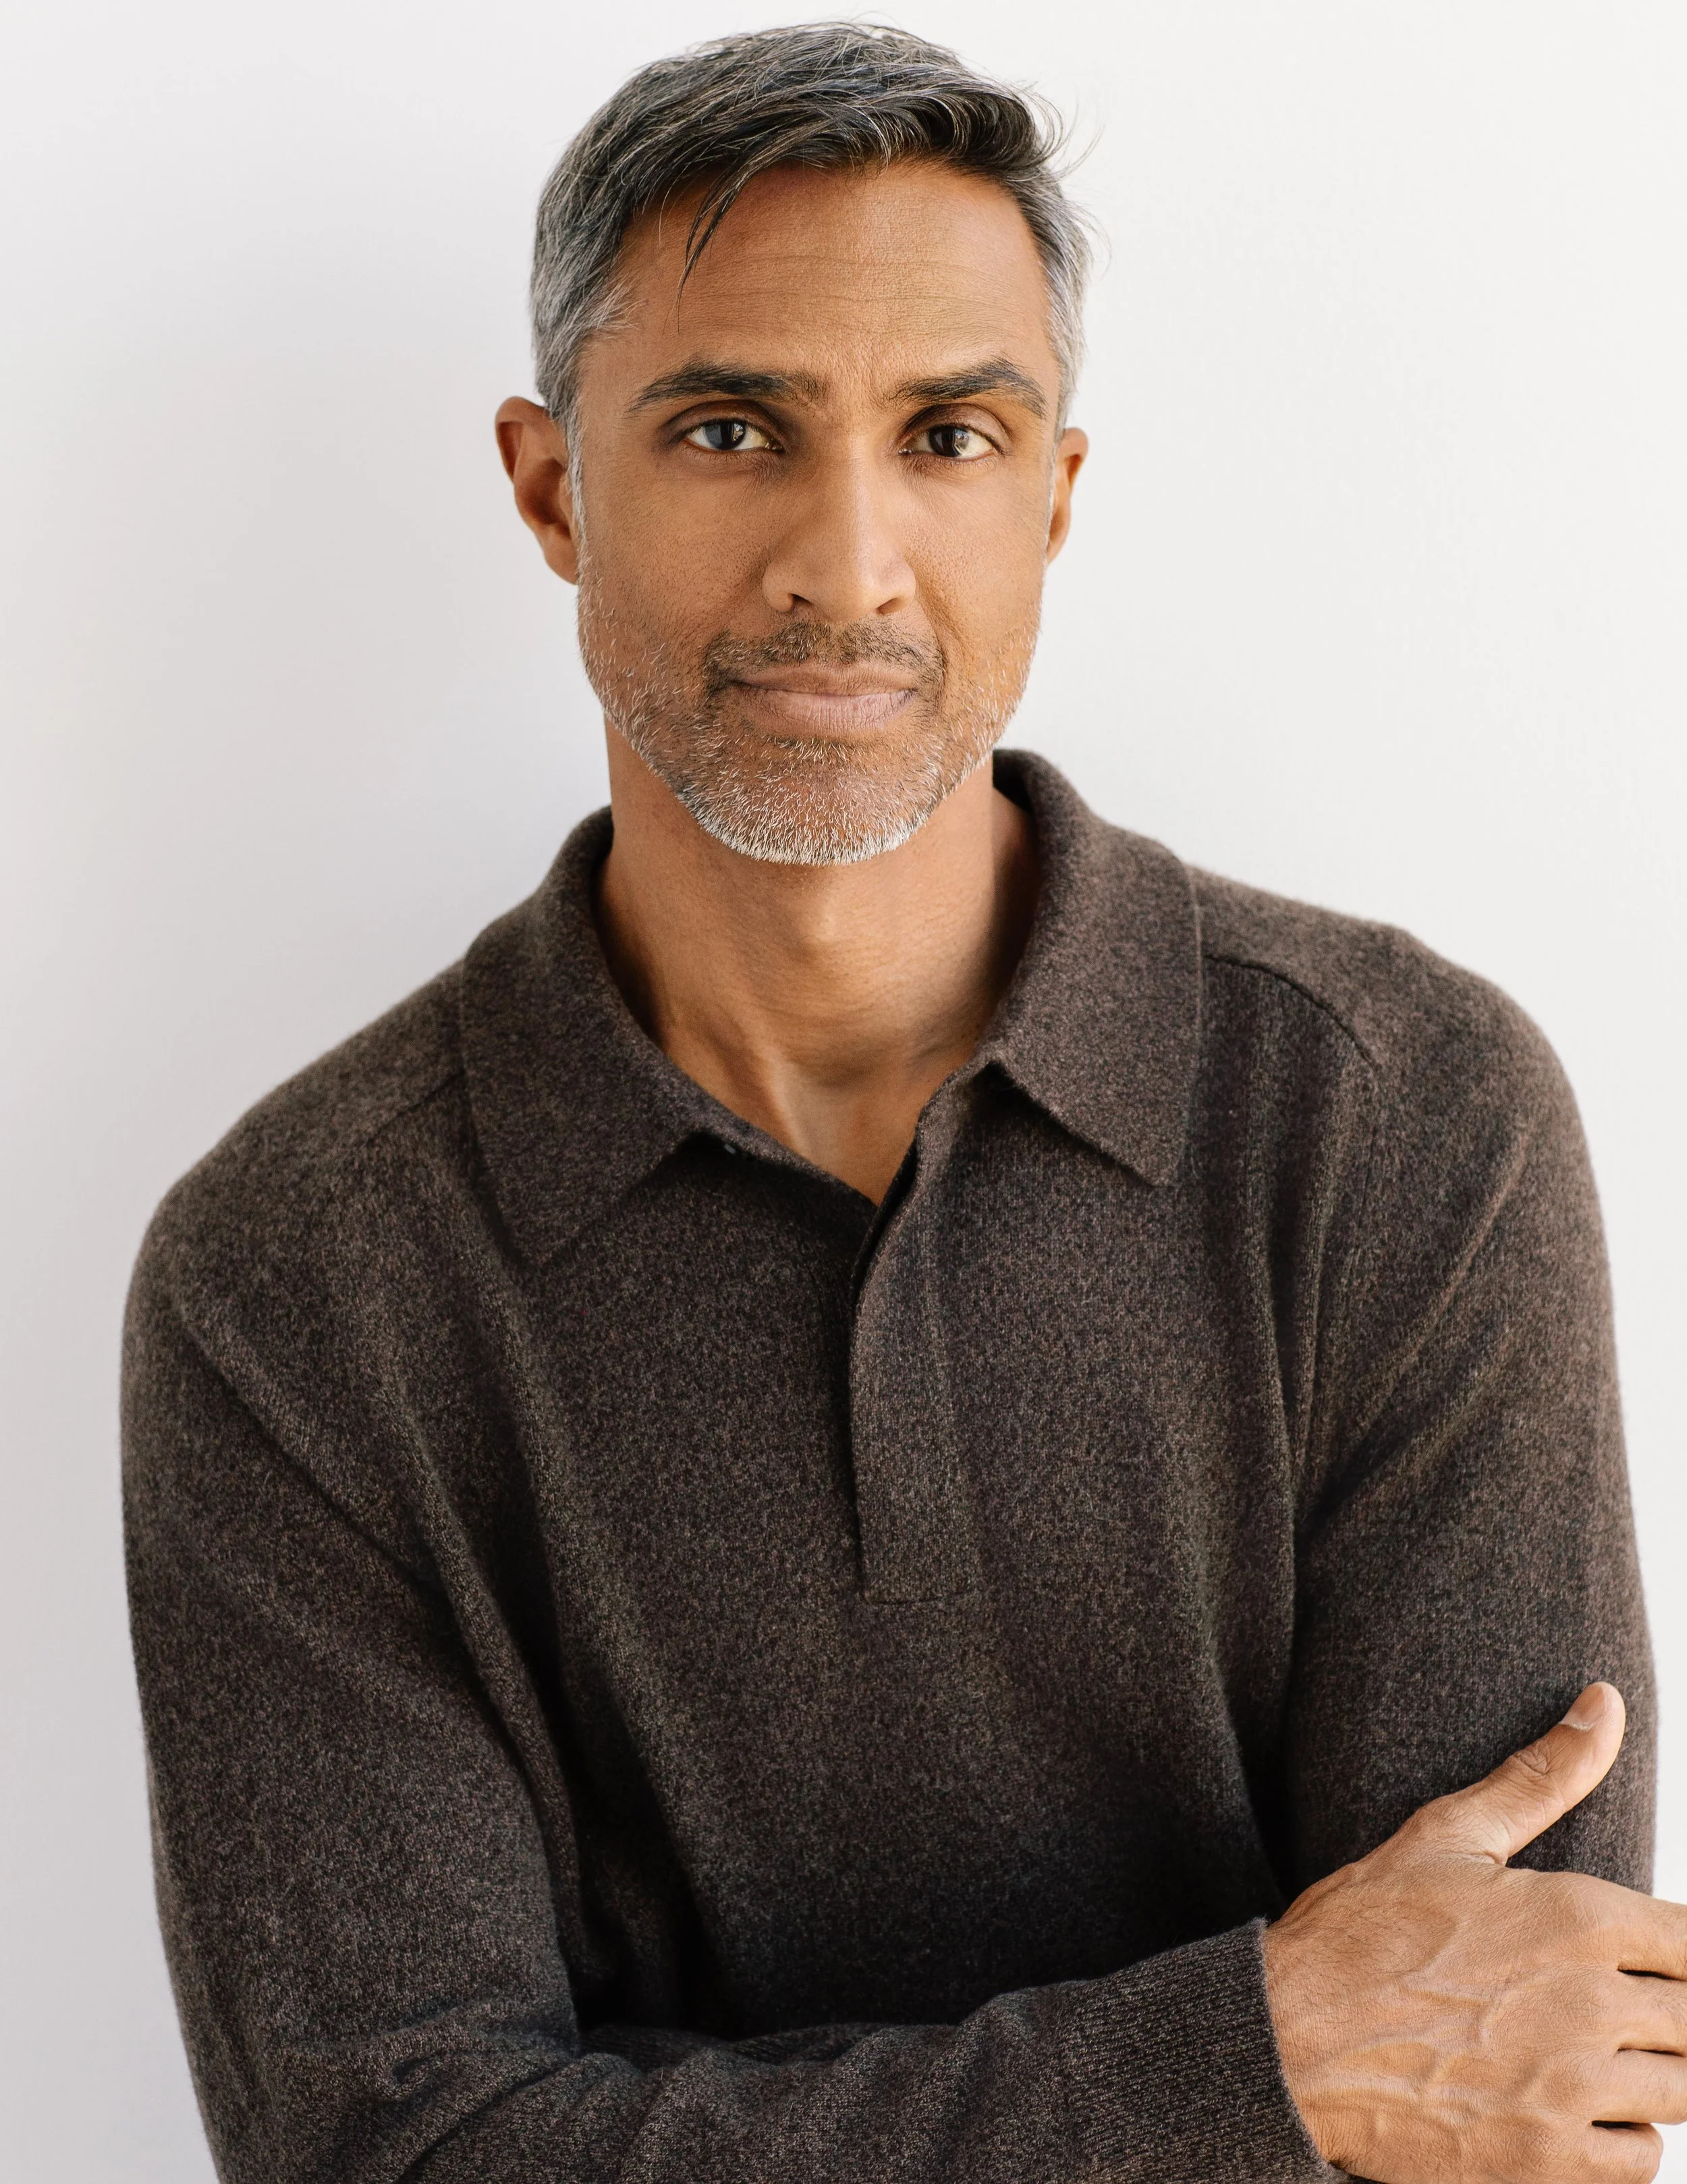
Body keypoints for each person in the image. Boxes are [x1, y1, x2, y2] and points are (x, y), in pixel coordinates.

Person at [122, 23, 1683, 2184]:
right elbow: (385, 2154)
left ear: (1052, 492)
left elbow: (1514, 2083)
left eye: (945, 432)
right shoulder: (294, 1272)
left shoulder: (1404, 1118)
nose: (844, 566)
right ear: (552, 485)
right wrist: (1258, 2065)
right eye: (732, 426)